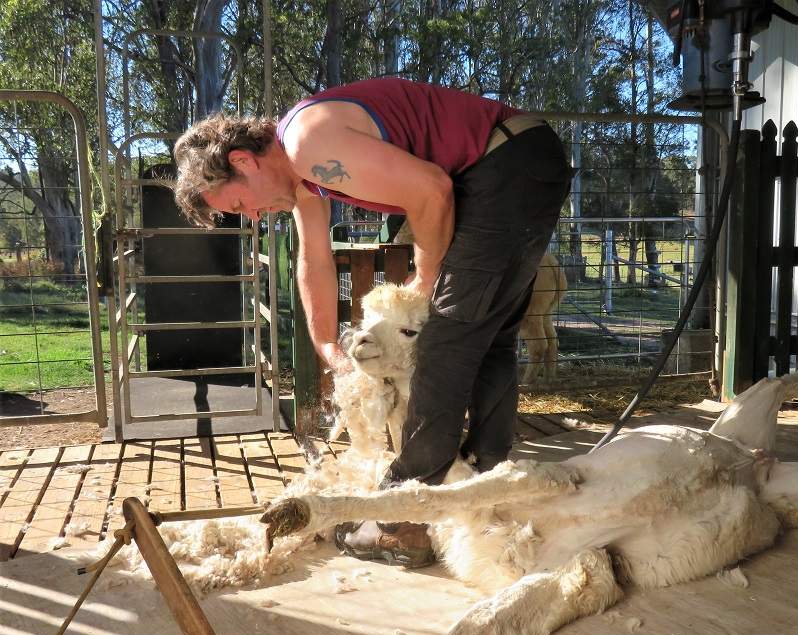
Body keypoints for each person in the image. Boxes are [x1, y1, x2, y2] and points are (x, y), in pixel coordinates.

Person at [173, 77, 574, 568]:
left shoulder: (306, 143)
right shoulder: (305, 177)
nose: (253, 216)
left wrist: (426, 277)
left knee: (445, 339)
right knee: (487, 337)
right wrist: (327, 344)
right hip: (519, 158)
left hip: (504, 163)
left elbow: (432, 190)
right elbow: (313, 259)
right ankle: (483, 486)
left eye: (240, 204)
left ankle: (400, 519)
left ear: (243, 161)